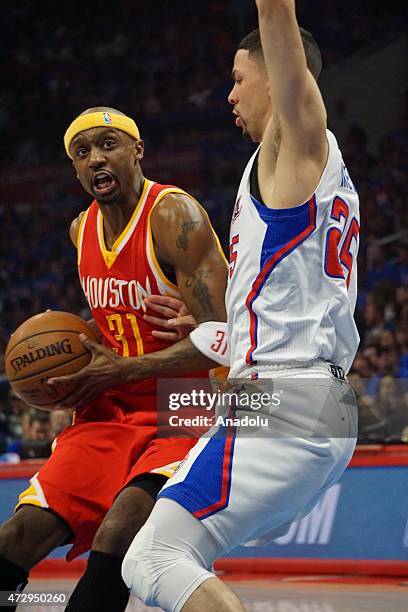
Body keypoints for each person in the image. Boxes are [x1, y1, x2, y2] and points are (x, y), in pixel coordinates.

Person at [121, 2, 360, 611]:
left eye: (237, 78)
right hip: (296, 400)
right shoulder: (277, 175)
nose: (228, 95)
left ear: (279, 74)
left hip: (285, 400)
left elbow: (279, 17)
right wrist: (215, 319)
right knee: (147, 538)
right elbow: (276, 286)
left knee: (152, 557)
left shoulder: (299, 143)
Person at [0, 106, 228, 612]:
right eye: (82, 152)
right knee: (15, 537)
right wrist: (64, 374)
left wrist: (130, 366)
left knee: (120, 530)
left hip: (182, 407)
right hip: (108, 410)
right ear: (75, 169)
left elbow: (229, 337)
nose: (95, 158)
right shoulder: (80, 231)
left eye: (108, 144)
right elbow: (107, 327)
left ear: (137, 150)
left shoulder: (174, 215)